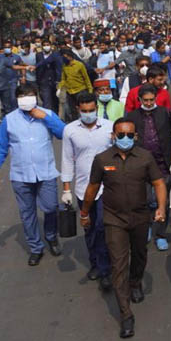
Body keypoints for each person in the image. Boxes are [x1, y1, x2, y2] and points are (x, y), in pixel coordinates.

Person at [82, 117, 167, 338]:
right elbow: (92, 187)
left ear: (136, 137)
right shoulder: (102, 160)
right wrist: (84, 212)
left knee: (139, 255)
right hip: (114, 220)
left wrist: (161, 207)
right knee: (118, 264)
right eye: (121, 135)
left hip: (140, 218)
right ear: (113, 136)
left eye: (130, 135)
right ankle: (126, 314)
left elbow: (158, 183)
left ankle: (136, 281)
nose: (125, 139)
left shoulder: (145, 157)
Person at [0, 83, 66, 265]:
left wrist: (46, 118)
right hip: (21, 175)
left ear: (36, 96)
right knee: (27, 213)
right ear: (17, 99)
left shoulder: (47, 114)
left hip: (46, 173)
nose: (26, 99)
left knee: (50, 207)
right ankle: (35, 247)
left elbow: (64, 133)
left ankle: (51, 236)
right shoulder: (10, 120)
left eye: (30, 95)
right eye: (22, 96)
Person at [61, 91, 114, 291]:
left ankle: (105, 269)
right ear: (78, 110)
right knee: (90, 229)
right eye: (84, 111)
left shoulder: (109, 127)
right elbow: (67, 159)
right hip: (83, 189)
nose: (88, 114)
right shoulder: (70, 130)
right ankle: (95, 263)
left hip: (107, 188)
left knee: (102, 227)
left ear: (97, 108)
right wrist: (66, 188)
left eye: (92, 110)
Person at [126, 84, 171, 251]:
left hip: (163, 164)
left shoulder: (165, 113)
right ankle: (147, 226)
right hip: (142, 166)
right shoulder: (132, 116)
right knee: (146, 200)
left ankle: (161, 234)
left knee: (163, 200)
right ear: (139, 99)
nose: (148, 103)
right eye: (145, 100)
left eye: (151, 100)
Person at [58, 48, 93, 122]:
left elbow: (86, 78)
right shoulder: (64, 66)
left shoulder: (79, 65)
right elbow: (63, 79)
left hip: (80, 90)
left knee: (82, 109)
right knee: (72, 110)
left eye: (65, 57)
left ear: (70, 57)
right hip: (70, 91)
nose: (64, 59)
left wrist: (90, 90)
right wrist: (59, 87)